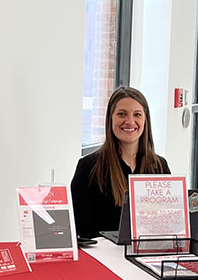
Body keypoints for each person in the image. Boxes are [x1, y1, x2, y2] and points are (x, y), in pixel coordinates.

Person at [71, 87, 170, 238]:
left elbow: (168, 223)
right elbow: (81, 230)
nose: (130, 121)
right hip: (104, 258)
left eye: (137, 114)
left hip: (148, 255)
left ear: (145, 120)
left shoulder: (160, 166)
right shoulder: (89, 167)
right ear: (110, 118)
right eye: (121, 114)